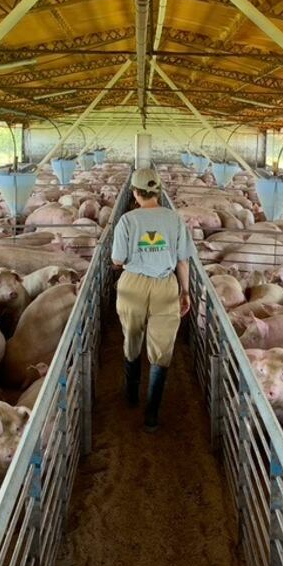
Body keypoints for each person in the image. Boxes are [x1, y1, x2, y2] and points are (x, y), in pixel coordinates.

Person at [110, 167, 192, 431]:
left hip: (132, 284)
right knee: (162, 348)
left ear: (134, 192)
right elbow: (182, 260)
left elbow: (117, 260)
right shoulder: (174, 219)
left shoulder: (127, 220)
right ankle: (152, 415)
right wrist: (186, 291)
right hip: (165, 284)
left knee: (132, 337)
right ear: (158, 191)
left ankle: (131, 395)